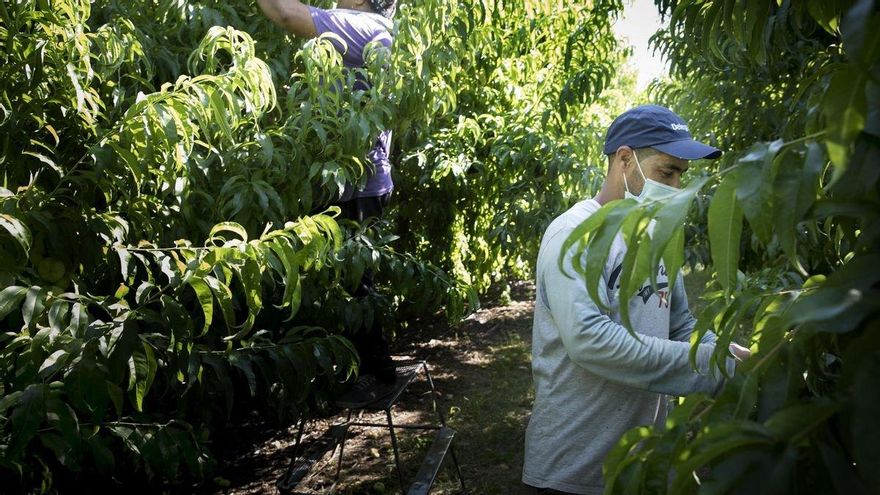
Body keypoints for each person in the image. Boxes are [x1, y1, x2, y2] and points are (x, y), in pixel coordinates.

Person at [521, 105, 751, 494]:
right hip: (573, 469)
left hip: (641, 463)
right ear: (625, 160)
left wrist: (725, 350)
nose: (676, 187)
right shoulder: (572, 234)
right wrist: (712, 367)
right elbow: (589, 340)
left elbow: (679, 323)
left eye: (681, 174)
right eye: (667, 172)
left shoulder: (657, 235)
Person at [256, 0, 398, 407]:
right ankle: (356, 369)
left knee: (356, 283)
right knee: (349, 280)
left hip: (357, 182)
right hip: (356, 180)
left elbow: (285, 13)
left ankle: (377, 374)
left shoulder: (361, 24)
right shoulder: (373, 26)